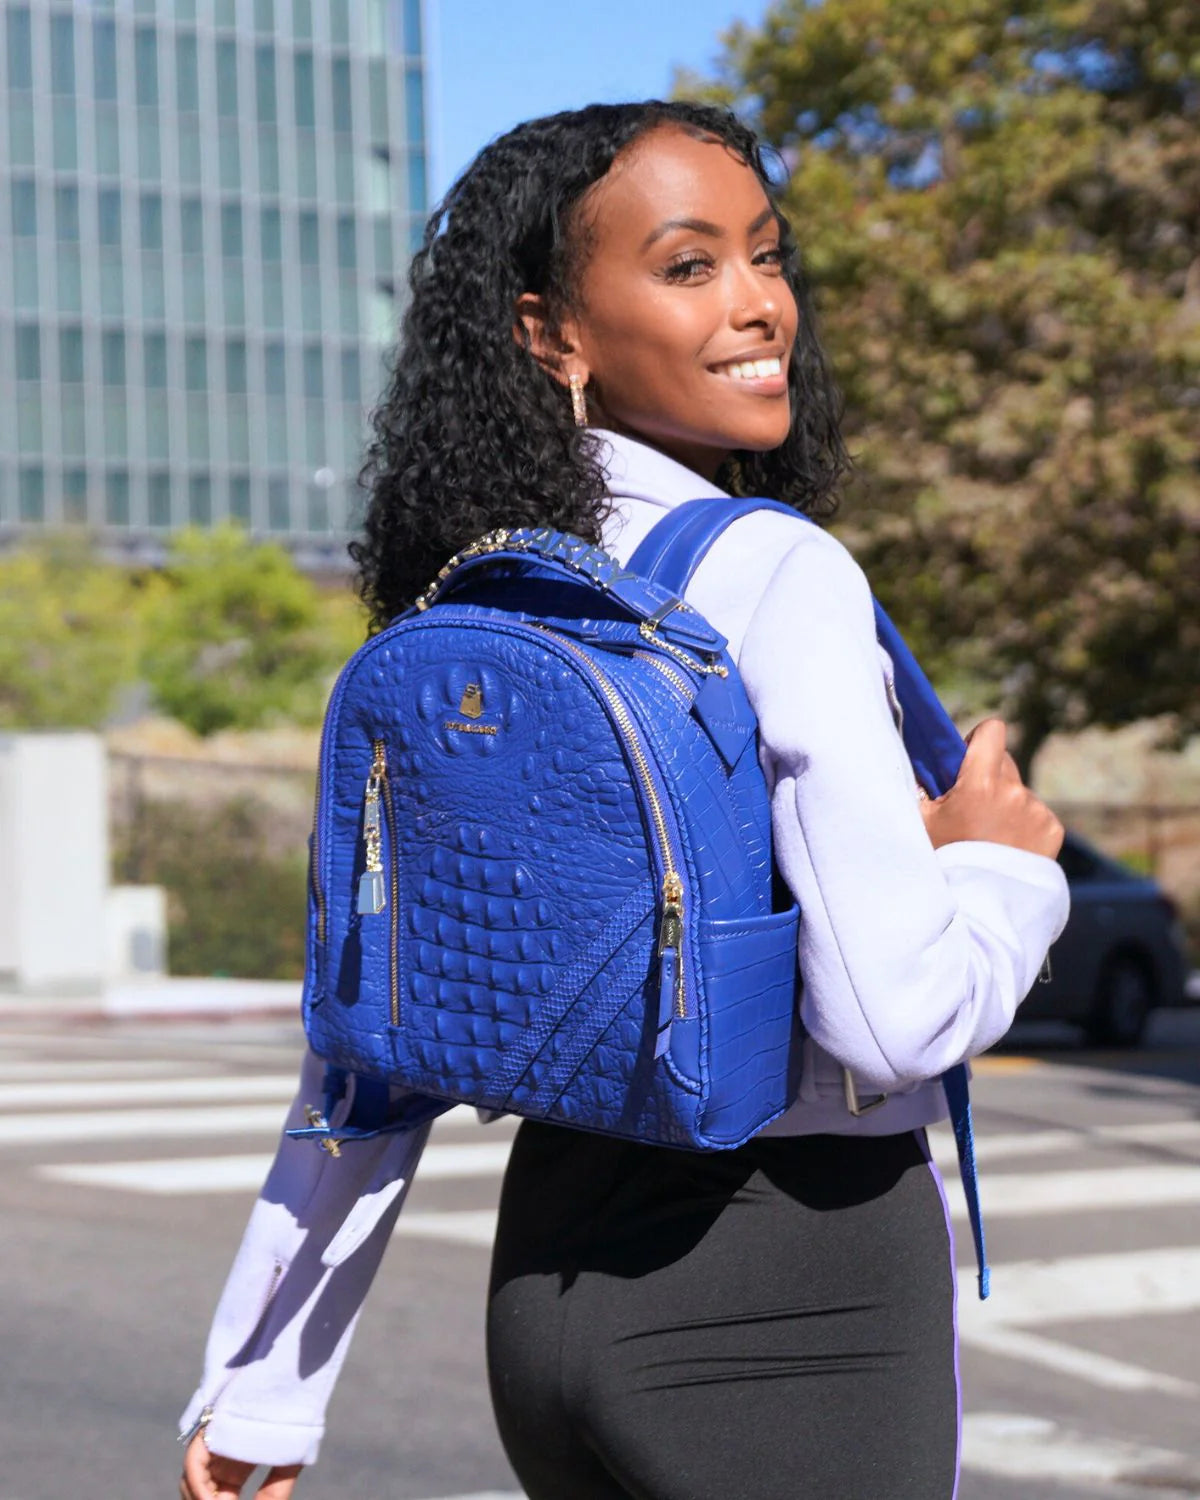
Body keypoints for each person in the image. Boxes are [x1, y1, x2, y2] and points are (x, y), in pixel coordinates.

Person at [179, 100, 1067, 1500]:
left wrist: (263, 1392)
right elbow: (888, 1022)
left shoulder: (484, 588)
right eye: (689, 265)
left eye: (766, 254)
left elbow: (369, 1043)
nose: (761, 304)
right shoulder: (775, 572)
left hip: (548, 1283)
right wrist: (1002, 872)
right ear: (552, 335)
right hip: (790, 1289)